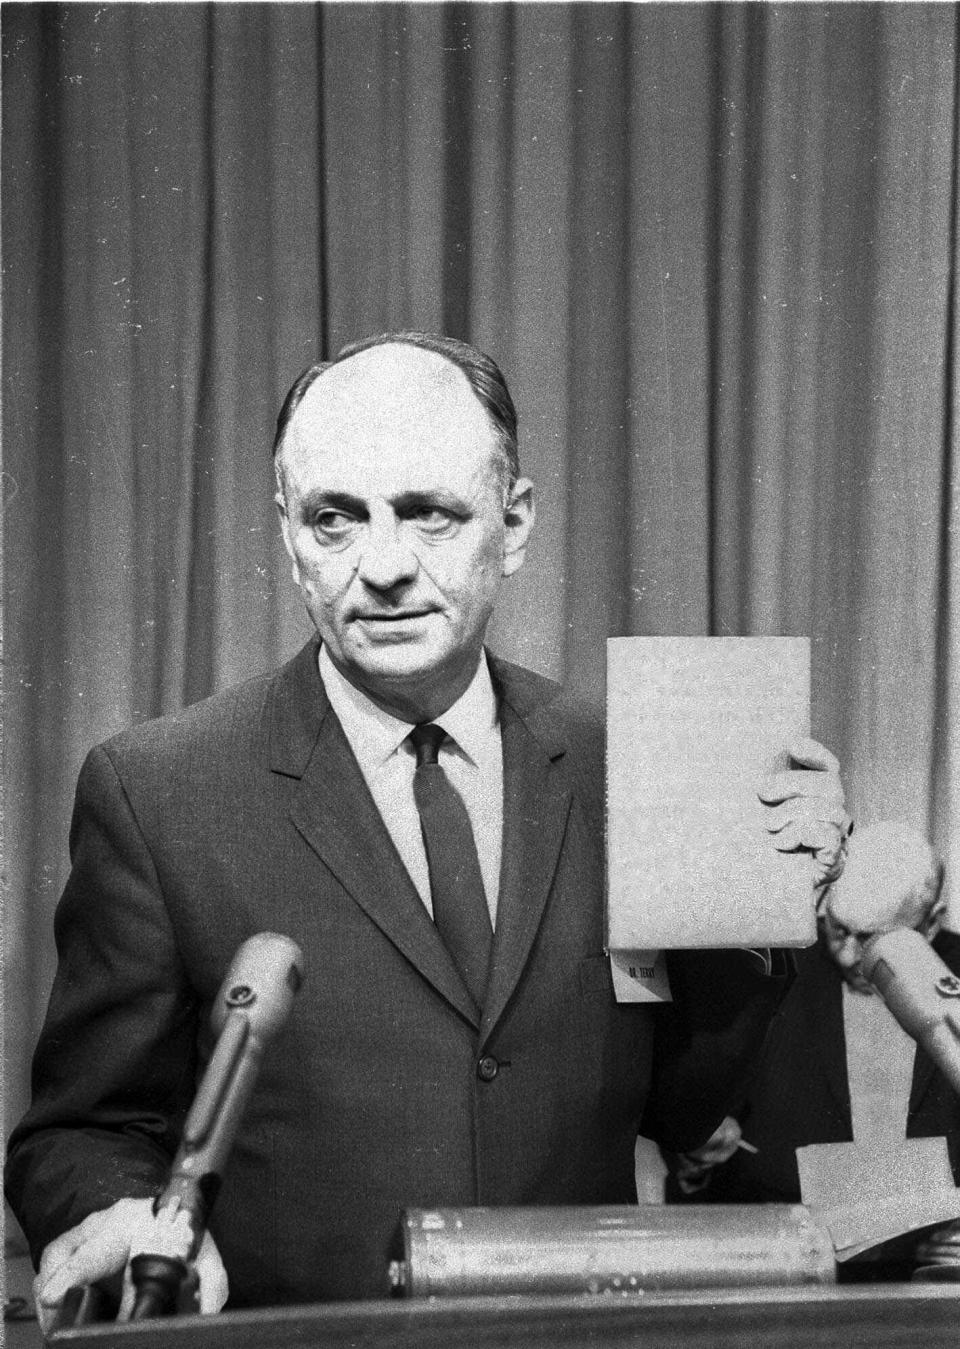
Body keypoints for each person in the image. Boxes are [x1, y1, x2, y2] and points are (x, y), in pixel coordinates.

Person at [5, 332, 848, 1326]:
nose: (385, 565)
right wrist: (125, 1217)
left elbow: (690, 1117)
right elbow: (81, 1131)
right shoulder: (158, 789)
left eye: (428, 514)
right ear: (286, 530)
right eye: (336, 519)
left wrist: (767, 905)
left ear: (515, 520)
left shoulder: (635, 758)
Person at [666, 820, 960, 1206]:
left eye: (873, 939)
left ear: (932, 923)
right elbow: (693, 1114)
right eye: (838, 929)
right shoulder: (770, 968)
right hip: (784, 1243)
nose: (848, 955)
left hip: (928, 1256)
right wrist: (696, 1145)